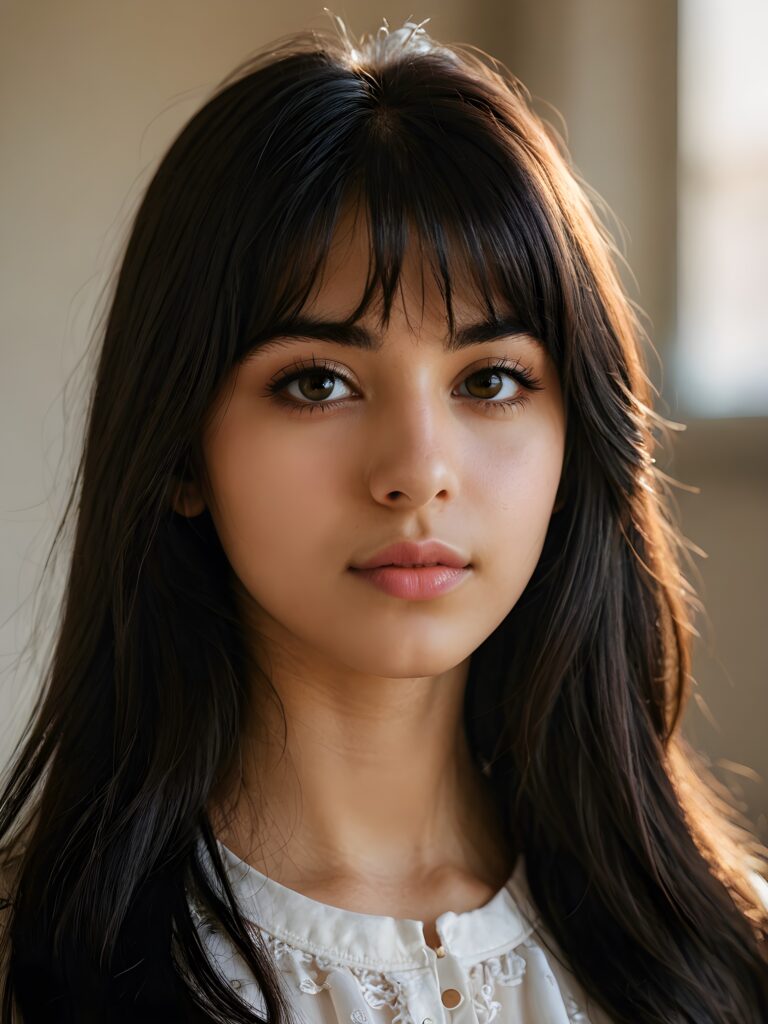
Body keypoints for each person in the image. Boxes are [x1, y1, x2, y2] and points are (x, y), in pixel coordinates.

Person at [1, 12, 767, 1024]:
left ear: (575, 441)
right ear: (180, 447)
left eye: (491, 378)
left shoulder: (720, 950)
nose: (417, 472)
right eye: (317, 382)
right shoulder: (30, 961)